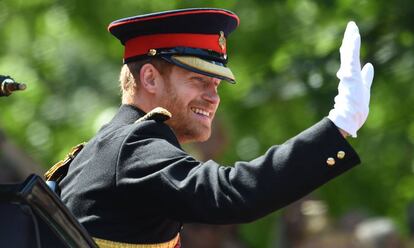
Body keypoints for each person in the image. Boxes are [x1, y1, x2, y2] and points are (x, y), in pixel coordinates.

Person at [56, 8, 374, 248]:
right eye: (199, 81)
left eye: (217, 85)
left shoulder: (107, 146)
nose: (212, 97)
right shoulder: (134, 145)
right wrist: (338, 125)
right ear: (150, 78)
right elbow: (231, 193)